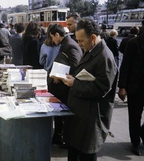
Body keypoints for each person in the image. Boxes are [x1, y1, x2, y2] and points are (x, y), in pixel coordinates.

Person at [61, 18, 118, 161]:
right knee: (74, 153)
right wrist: (73, 78)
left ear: (93, 37)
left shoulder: (104, 57)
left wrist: (75, 83)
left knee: (86, 155)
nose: (79, 45)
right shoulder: (92, 49)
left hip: (90, 120)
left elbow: (101, 89)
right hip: (81, 116)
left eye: (81, 41)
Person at [48, 24, 83, 145]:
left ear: (57, 35)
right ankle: (58, 137)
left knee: (64, 116)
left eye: (52, 37)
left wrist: (61, 76)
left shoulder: (70, 46)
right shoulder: (66, 44)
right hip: (61, 87)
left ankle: (64, 138)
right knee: (59, 115)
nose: (52, 40)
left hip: (65, 88)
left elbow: (76, 67)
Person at [118, 33, 144, 156]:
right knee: (134, 117)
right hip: (136, 88)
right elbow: (125, 65)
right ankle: (135, 143)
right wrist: (122, 86)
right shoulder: (133, 43)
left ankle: (142, 132)